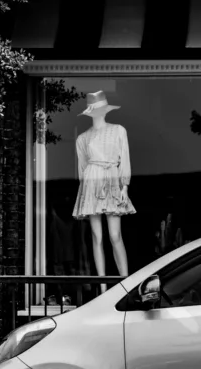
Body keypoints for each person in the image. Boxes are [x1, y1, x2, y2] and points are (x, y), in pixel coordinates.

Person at [72, 91, 136, 293]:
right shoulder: (82, 138)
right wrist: (86, 193)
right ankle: (101, 288)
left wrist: (124, 185)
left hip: (112, 180)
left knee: (115, 235)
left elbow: (124, 158)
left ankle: (125, 283)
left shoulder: (118, 130)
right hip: (91, 182)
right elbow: (82, 168)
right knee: (96, 236)